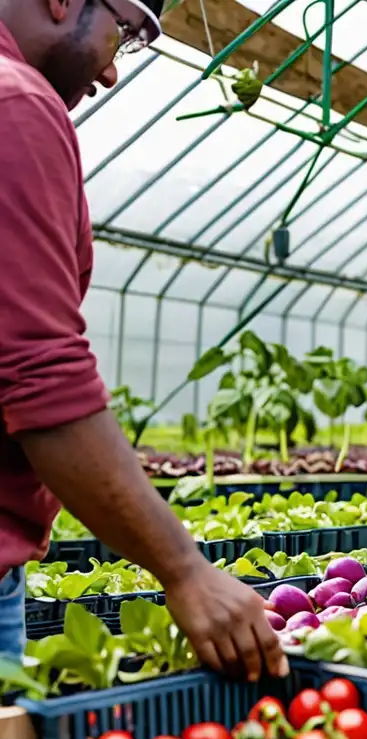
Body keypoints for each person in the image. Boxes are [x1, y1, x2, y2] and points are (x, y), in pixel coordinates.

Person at [0, 0, 287, 680]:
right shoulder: (16, 107)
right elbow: (38, 373)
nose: (110, 72)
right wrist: (184, 569)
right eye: (125, 33)